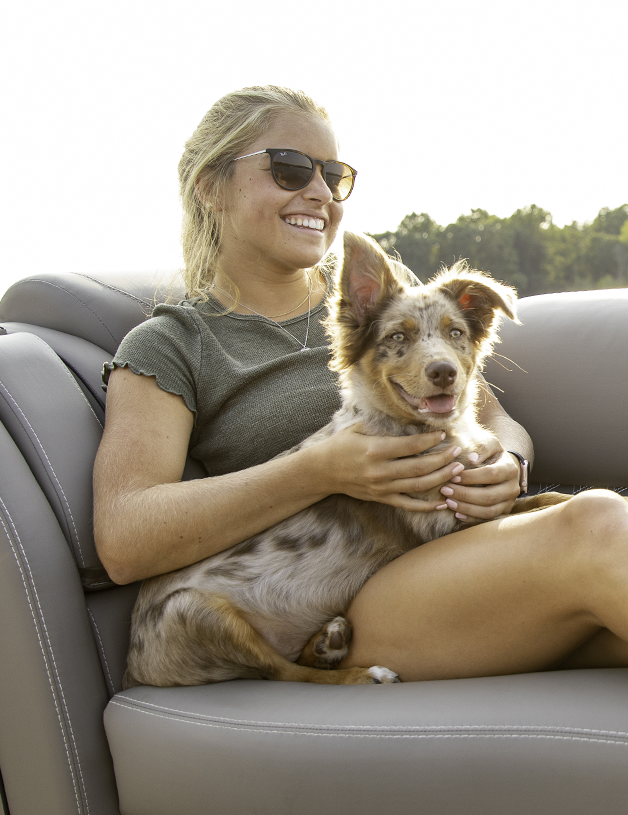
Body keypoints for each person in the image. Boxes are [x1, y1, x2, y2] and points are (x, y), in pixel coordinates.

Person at [93, 85, 628, 682]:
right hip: (347, 601)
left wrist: (508, 464)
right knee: (598, 522)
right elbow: (123, 537)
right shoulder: (173, 343)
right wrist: (317, 470)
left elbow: (490, 418)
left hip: (459, 556)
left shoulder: (389, 307)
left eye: (334, 175)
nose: (319, 192)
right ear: (211, 187)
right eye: (290, 168)